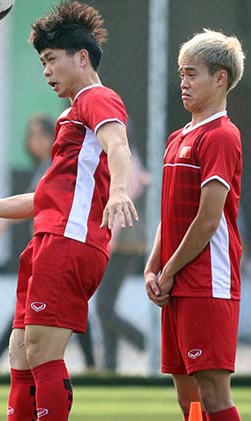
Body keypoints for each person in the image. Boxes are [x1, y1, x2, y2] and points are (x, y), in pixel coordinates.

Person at [0, 1, 137, 421]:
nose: (45, 71)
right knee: (20, 353)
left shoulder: (97, 98)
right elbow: (43, 198)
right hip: (49, 239)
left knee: (40, 349)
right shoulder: (70, 117)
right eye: (42, 62)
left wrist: (118, 190)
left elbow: (118, 144)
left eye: (51, 60)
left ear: (82, 57)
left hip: (69, 241)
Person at [144, 29, 246, 421]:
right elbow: (172, 217)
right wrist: (153, 266)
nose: (183, 83)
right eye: (181, 73)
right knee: (188, 397)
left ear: (221, 79)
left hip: (208, 281)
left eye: (192, 74)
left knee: (213, 394)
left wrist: (168, 271)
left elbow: (207, 220)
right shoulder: (177, 137)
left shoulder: (221, 135)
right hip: (175, 282)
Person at [0, 114, 96, 373]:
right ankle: (92, 365)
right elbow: (34, 200)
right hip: (46, 242)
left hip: (56, 243)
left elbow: (40, 200)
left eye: (39, 135)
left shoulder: (58, 162)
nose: (34, 141)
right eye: (31, 135)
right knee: (66, 302)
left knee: (33, 304)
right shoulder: (46, 164)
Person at [95, 148, 149, 372]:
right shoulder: (124, 159)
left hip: (122, 245)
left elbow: (120, 204)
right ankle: (110, 365)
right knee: (106, 305)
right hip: (120, 243)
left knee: (104, 306)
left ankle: (146, 342)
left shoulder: (127, 161)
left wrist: (109, 240)